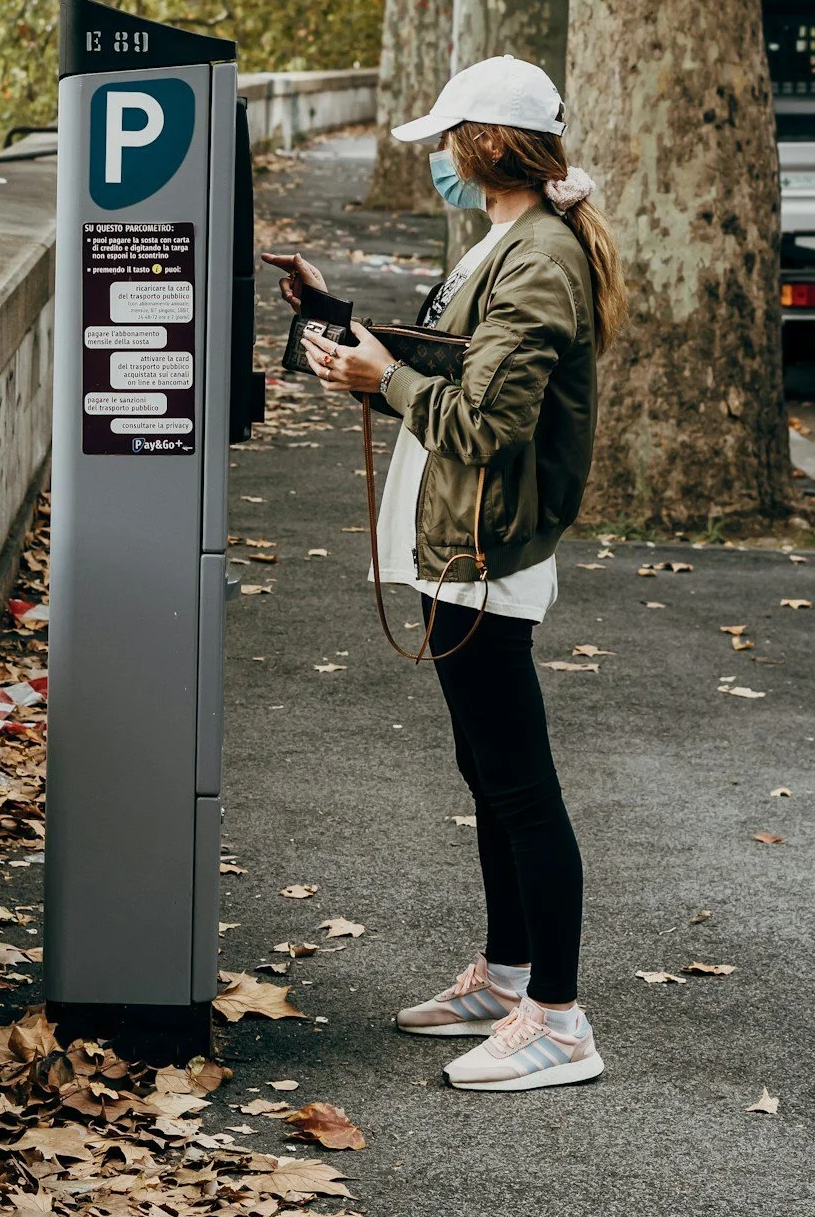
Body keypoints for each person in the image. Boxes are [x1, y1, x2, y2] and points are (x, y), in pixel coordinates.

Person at [262, 56, 626, 1094]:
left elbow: (483, 418)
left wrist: (385, 382)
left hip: (485, 545)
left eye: (446, 144)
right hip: (457, 538)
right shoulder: (506, 241)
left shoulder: (541, 257)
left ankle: (557, 1017)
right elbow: (454, 362)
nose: (437, 163)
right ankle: (509, 976)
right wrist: (343, 324)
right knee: (487, 769)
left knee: (520, 783)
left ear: (487, 145)